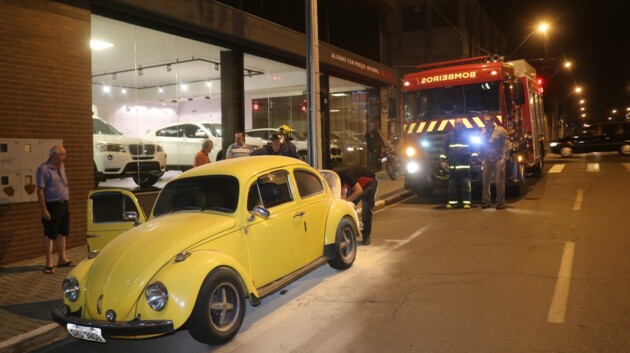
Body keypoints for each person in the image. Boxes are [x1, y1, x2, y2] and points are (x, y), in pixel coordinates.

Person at [36, 145, 75, 274]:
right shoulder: (43, 169)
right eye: (63, 154)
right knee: (50, 233)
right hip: (51, 205)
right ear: (54, 155)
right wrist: (44, 209)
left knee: (62, 232)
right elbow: (40, 191)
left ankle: (62, 259)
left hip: (63, 204)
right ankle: (49, 262)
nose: (65, 157)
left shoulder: (62, 167)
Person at [335, 166, 378, 245]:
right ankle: (350, 231)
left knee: (366, 210)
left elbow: (359, 191)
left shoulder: (346, 175)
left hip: (369, 184)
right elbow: (343, 195)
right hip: (358, 186)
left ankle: (366, 236)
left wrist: (346, 201)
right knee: (348, 206)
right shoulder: (338, 180)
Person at [441, 118, 476, 209]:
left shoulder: (468, 135)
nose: (458, 126)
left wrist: (474, 158)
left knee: (465, 184)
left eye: (459, 124)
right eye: (456, 124)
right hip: (452, 165)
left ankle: (467, 202)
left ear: (463, 125)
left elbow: (473, 147)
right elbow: (444, 149)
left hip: (464, 164)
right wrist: (442, 160)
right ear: (454, 125)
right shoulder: (448, 136)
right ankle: (452, 202)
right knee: (452, 185)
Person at [480, 116, 510, 209]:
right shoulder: (483, 132)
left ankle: (500, 202)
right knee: (485, 182)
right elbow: (480, 147)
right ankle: (486, 201)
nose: (486, 122)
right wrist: (481, 159)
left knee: (499, 182)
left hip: (498, 159)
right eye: (485, 121)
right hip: (487, 160)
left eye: (488, 121)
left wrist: (504, 159)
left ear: (493, 121)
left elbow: (506, 144)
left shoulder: (500, 131)